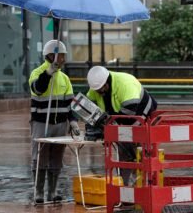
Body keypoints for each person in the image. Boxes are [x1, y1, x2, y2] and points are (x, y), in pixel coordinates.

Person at [86, 66, 157, 185]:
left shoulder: (124, 84)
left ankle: (142, 187)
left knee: (140, 154)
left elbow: (130, 114)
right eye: (98, 90)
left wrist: (109, 129)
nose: (100, 93)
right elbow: (88, 105)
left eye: (102, 89)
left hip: (142, 116)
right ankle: (126, 188)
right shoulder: (96, 88)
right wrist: (95, 126)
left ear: (107, 81)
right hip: (122, 119)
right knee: (124, 154)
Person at [29, 40, 80, 203]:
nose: (64, 59)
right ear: (51, 55)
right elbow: (38, 88)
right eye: (61, 55)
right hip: (41, 123)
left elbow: (69, 103)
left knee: (57, 157)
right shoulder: (37, 73)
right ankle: (38, 191)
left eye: (64, 56)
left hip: (60, 124)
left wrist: (72, 121)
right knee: (40, 156)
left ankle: (52, 191)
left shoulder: (64, 78)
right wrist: (48, 73)